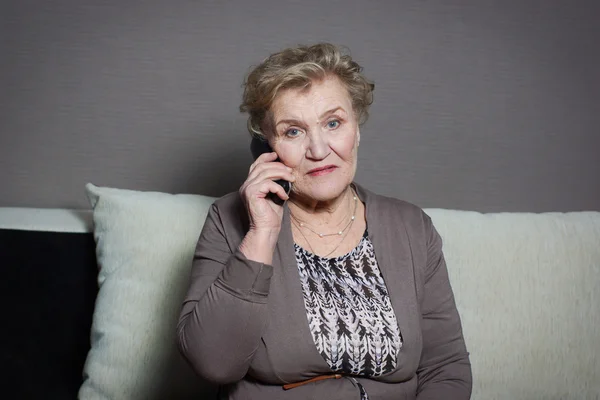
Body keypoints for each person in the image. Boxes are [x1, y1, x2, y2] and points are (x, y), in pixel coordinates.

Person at [177, 43, 472, 399]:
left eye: (333, 123)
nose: (318, 150)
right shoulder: (230, 220)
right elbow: (214, 364)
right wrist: (262, 233)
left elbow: (446, 368)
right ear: (267, 146)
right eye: (293, 131)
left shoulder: (411, 227)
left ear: (357, 129)